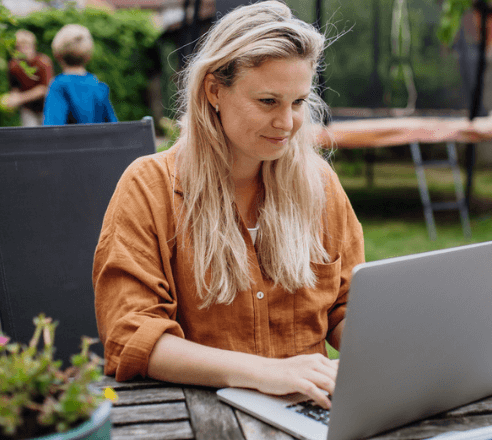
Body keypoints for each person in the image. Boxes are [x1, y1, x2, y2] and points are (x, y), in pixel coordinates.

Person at [92, 1, 364, 410]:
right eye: (269, 101)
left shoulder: (320, 185)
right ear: (214, 90)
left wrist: (393, 348)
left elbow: (346, 308)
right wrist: (265, 372)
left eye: (297, 102)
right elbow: (131, 336)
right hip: (197, 414)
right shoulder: (150, 187)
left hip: (312, 411)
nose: (287, 123)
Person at [43, 24, 117, 125]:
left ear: (57, 55)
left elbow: (52, 128)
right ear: (89, 56)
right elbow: (114, 127)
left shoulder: (58, 86)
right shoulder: (98, 86)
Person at [5, 30, 54, 126]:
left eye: (26, 46)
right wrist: (12, 100)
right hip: (28, 110)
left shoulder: (44, 62)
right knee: (30, 136)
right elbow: (15, 87)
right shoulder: (13, 65)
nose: (23, 50)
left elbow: (44, 89)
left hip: (46, 107)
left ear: (33, 46)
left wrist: (20, 99)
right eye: (19, 47)